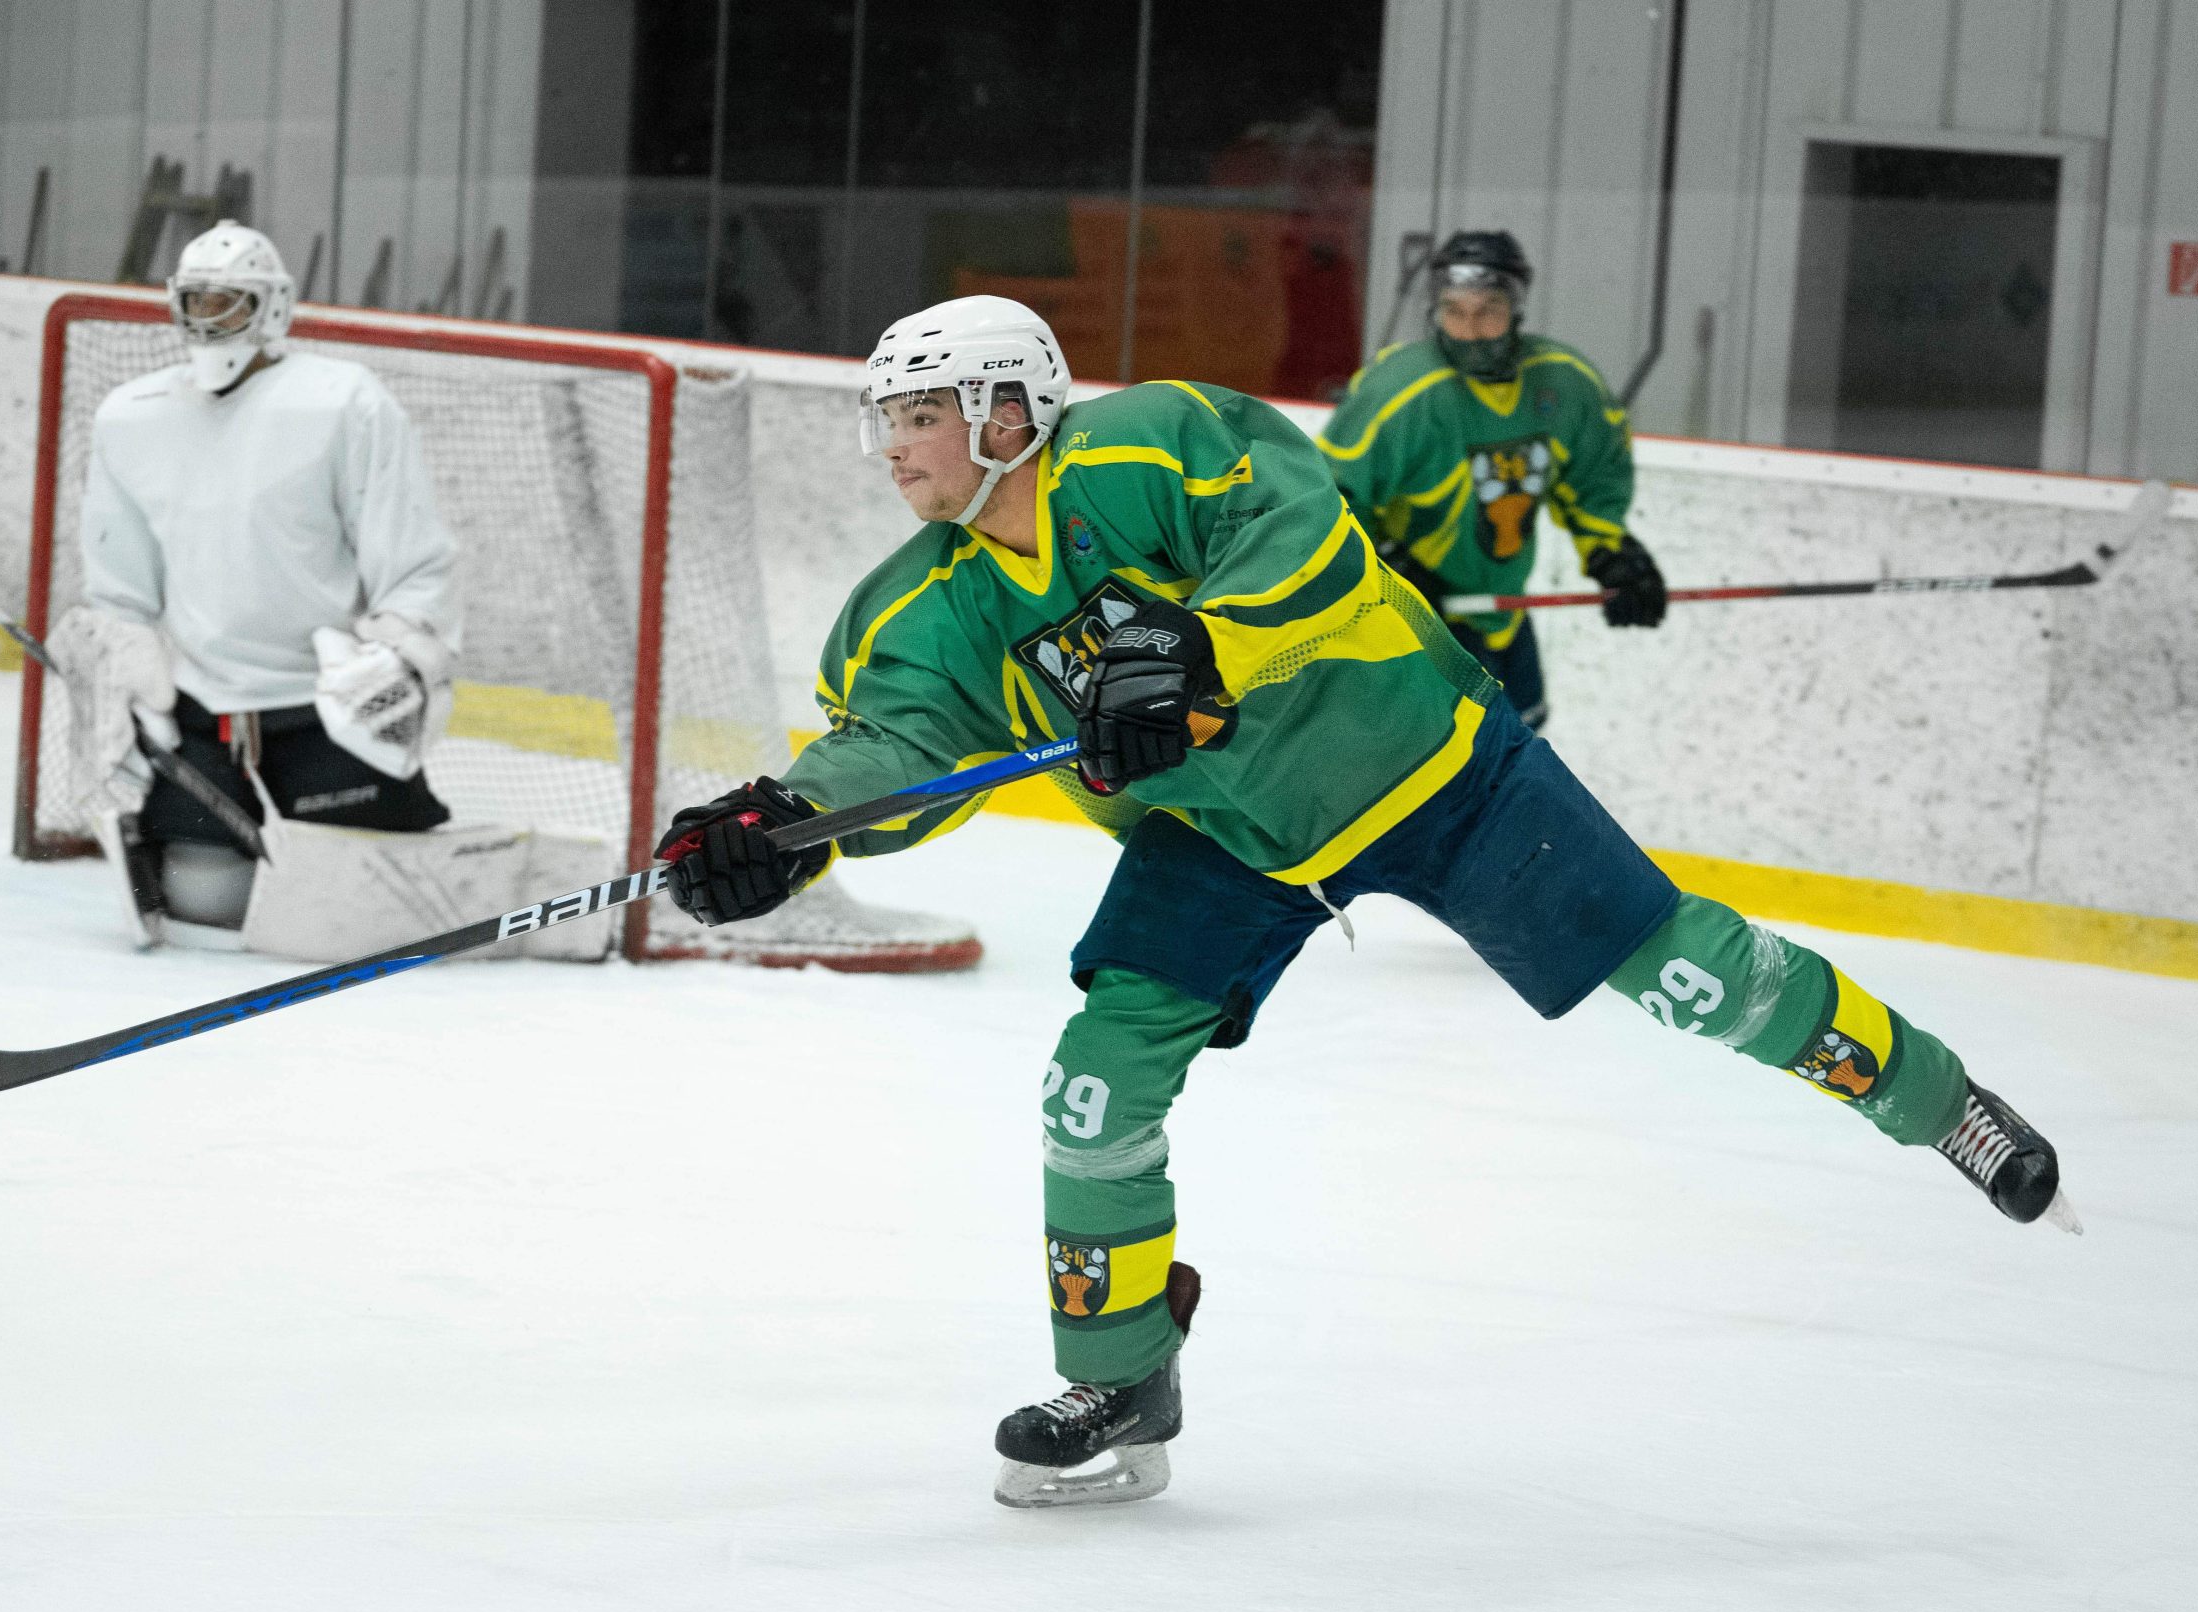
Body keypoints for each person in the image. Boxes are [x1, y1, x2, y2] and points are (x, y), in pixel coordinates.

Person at [648, 294, 2076, 1511]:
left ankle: (1935, 1098)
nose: (894, 446)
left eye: (921, 414)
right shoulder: (924, 604)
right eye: (886, 420)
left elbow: (1310, 537)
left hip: (1430, 766)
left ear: (1010, 410)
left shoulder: (1152, 442)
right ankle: (1122, 1376)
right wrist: (787, 823)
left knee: (1688, 976)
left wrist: (1195, 648)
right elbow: (899, 746)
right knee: (1094, 1086)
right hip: (1232, 832)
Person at [48, 219, 600, 961]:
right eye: (197, 301)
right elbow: (120, 590)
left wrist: (397, 659)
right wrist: (124, 671)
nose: (209, 320)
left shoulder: (343, 403)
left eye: (228, 303)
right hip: (203, 716)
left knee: (375, 907)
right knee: (203, 903)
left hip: (322, 712)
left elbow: (416, 565)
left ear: (273, 307)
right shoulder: (132, 418)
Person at [1316, 231, 1663, 728]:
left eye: (1488, 310)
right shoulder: (1400, 393)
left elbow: (1593, 479)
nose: (1471, 331)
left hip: (1503, 614)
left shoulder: (1563, 383)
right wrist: (1388, 572)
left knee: (1522, 747)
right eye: (1454, 311)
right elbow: (1324, 497)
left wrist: (1613, 556)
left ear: (1516, 308)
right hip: (1420, 622)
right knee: (1446, 760)